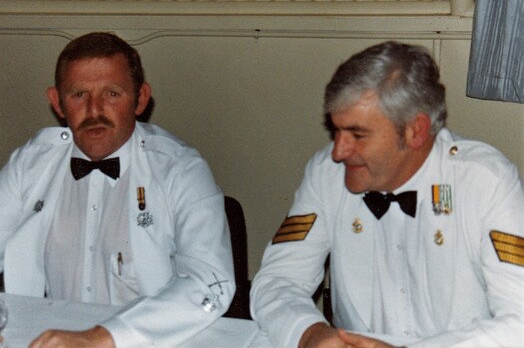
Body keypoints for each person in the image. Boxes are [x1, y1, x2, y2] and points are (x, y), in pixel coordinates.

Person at [250, 41, 524, 348]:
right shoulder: (327, 173)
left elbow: (520, 322)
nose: (338, 152)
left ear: (415, 131)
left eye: (358, 135)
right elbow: (277, 281)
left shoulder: (484, 182)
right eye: (336, 130)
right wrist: (309, 333)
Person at [0, 32, 235, 347]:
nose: (94, 110)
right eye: (79, 94)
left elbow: (211, 284)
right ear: (57, 102)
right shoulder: (31, 164)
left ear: (140, 99)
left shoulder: (181, 170)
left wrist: (103, 338)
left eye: (112, 93)